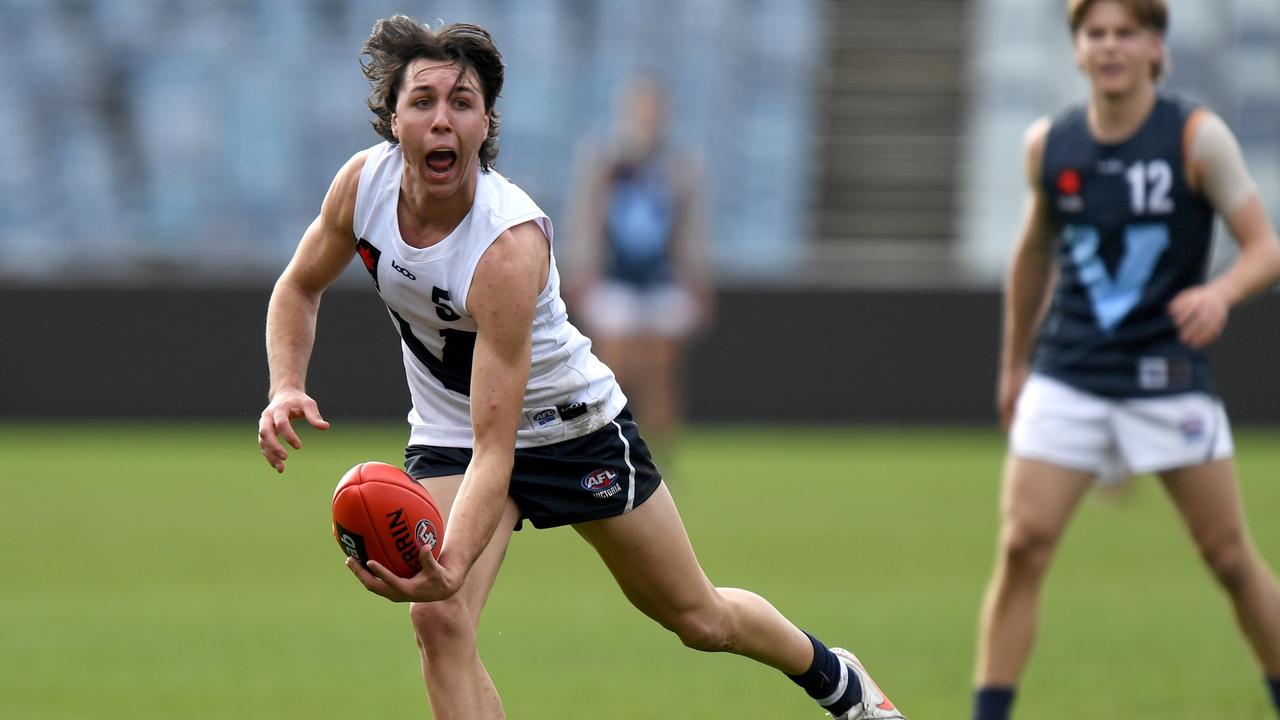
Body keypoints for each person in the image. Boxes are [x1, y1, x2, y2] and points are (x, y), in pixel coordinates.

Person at [256, 16, 904, 720]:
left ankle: (838, 680)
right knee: (440, 624)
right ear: (392, 120)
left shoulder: (506, 246)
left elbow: (498, 452)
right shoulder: (361, 187)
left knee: (698, 618)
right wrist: (285, 384)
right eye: (423, 102)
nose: (442, 120)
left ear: (485, 124)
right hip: (452, 432)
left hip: (569, 429)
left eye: (462, 103)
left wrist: (450, 568)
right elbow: (298, 286)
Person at [971, 1, 1280, 718]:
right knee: (1022, 545)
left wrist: (1222, 293)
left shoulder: (1196, 139)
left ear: (1154, 47)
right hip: (1068, 373)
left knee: (1230, 559)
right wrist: (1014, 365)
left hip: (1167, 378)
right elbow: (1031, 257)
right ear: (1077, 51)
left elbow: (1266, 249)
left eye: (1125, 33)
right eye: (1095, 34)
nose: (1109, 46)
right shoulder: (1049, 145)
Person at [563, 76, 714, 462]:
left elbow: (686, 227)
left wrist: (694, 278)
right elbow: (589, 217)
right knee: (614, 368)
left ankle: (658, 455)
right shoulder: (607, 162)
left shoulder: (677, 164)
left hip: (660, 281)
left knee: (661, 370)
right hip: (616, 279)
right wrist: (585, 268)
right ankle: (609, 447)